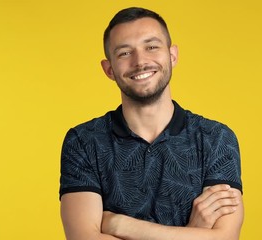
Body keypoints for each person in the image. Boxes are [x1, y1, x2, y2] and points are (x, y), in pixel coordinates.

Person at [60, 7, 244, 240]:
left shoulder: (215, 138)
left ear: (172, 55)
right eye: (125, 53)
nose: (140, 61)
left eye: (151, 47)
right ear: (109, 70)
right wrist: (190, 233)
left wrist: (121, 225)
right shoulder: (83, 141)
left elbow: (226, 238)